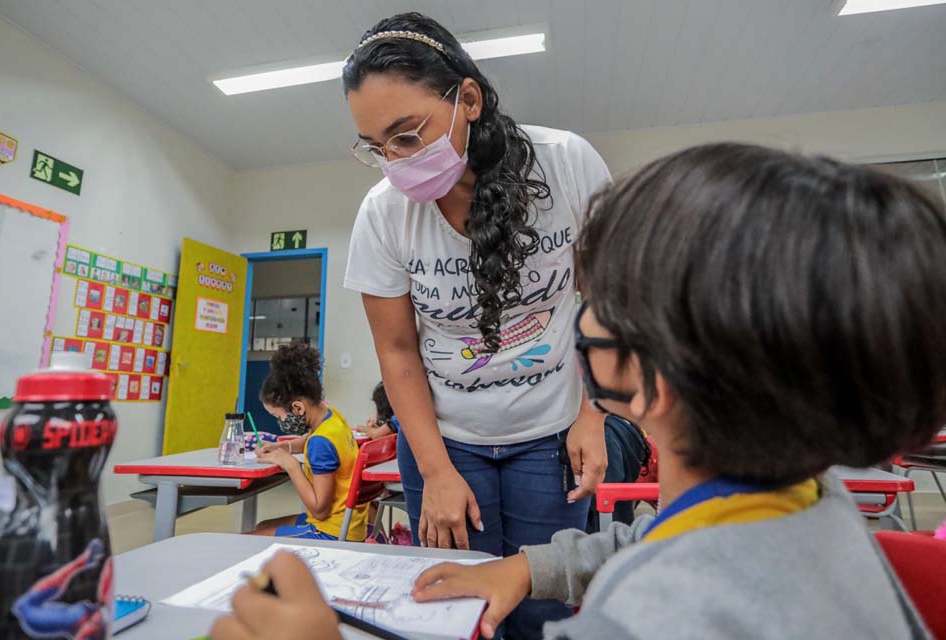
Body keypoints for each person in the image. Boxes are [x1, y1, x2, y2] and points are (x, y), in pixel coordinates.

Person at [210, 143, 946, 640]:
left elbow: (659, 581)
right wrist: (531, 566)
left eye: (593, 295)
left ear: (651, 379)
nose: (577, 313)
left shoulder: (645, 619)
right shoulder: (812, 502)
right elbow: (657, 541)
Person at [341, 12, 611, 635]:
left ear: (467, 98)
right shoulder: (383, 214)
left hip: (550, 431)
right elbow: (399, 351)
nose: (394, 161)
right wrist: (434, 471)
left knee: (540, 606)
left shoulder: (565, 163)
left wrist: (593, 412)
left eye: (407, 135)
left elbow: (607, 298)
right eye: (376, 147)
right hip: (445, 440)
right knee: (455, 611)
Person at [251, 342, 367, 542]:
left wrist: (291, 465)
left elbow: (320, 509)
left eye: (279, 417)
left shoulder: (320, 443)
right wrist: (283, 447)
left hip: (330, 532)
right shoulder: (332, 418)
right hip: (349, 526)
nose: (279, 423)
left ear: (297, 408)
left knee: (249, 539)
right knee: (262, 526)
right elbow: (311, 441)